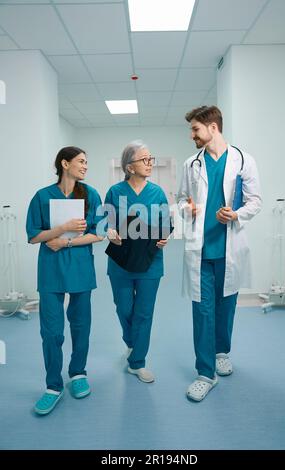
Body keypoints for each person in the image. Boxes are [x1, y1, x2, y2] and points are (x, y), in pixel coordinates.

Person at [177, 106, 262, 401]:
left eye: (195, 129)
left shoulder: (242, 160)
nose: (192, 135)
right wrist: (189, 209)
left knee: (226, 308)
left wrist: (236, 214)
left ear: (213, 128)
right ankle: (204, 372)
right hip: (200, 250)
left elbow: (255, 201)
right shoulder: (191, 164)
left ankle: (221, 351)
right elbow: (180, 200)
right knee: (202, 313)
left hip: (230, 249)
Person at [26, 146, 103, 415]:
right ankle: (53, 386)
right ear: (64, 163)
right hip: (50, 271)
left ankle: (78, 373)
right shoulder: (42, 196)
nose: (85, 166)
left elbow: (99, 233)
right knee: (52, 332)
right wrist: (61, 230)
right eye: (81, 161)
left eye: (86, 162)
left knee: (81, 325)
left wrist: (66, 243)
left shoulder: (91, 194)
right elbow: (34, 236)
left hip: (80, 267)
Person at [103, 140, 170, 383]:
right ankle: (132, 342)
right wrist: (110, 231)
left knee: (144, 312)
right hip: (120, 262)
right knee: (124, 308)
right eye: (144, 159)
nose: (150, 163)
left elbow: (165, 226)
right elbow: (105, 223)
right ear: (129, 166)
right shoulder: (115, 192)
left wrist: (164, 238)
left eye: (151, 159)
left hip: (150, 263)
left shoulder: (158, 193)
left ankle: (137, 362)